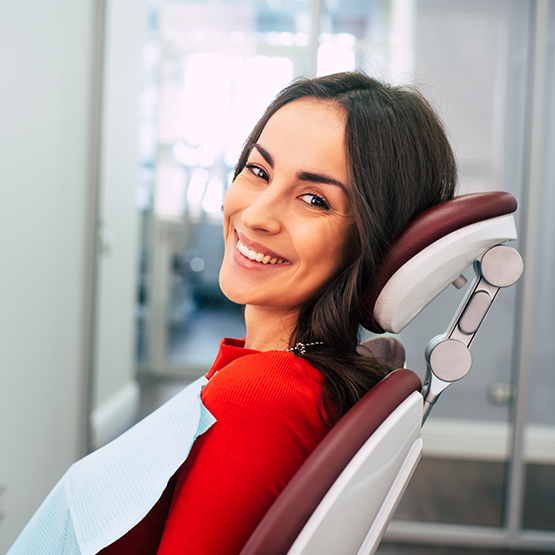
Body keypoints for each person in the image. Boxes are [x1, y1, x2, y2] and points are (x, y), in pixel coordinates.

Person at [9, 71, 456, 555]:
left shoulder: (263, 398)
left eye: (314, 199)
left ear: (376, 239)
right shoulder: (280, 377)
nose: (256, 214)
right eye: (258, 171)